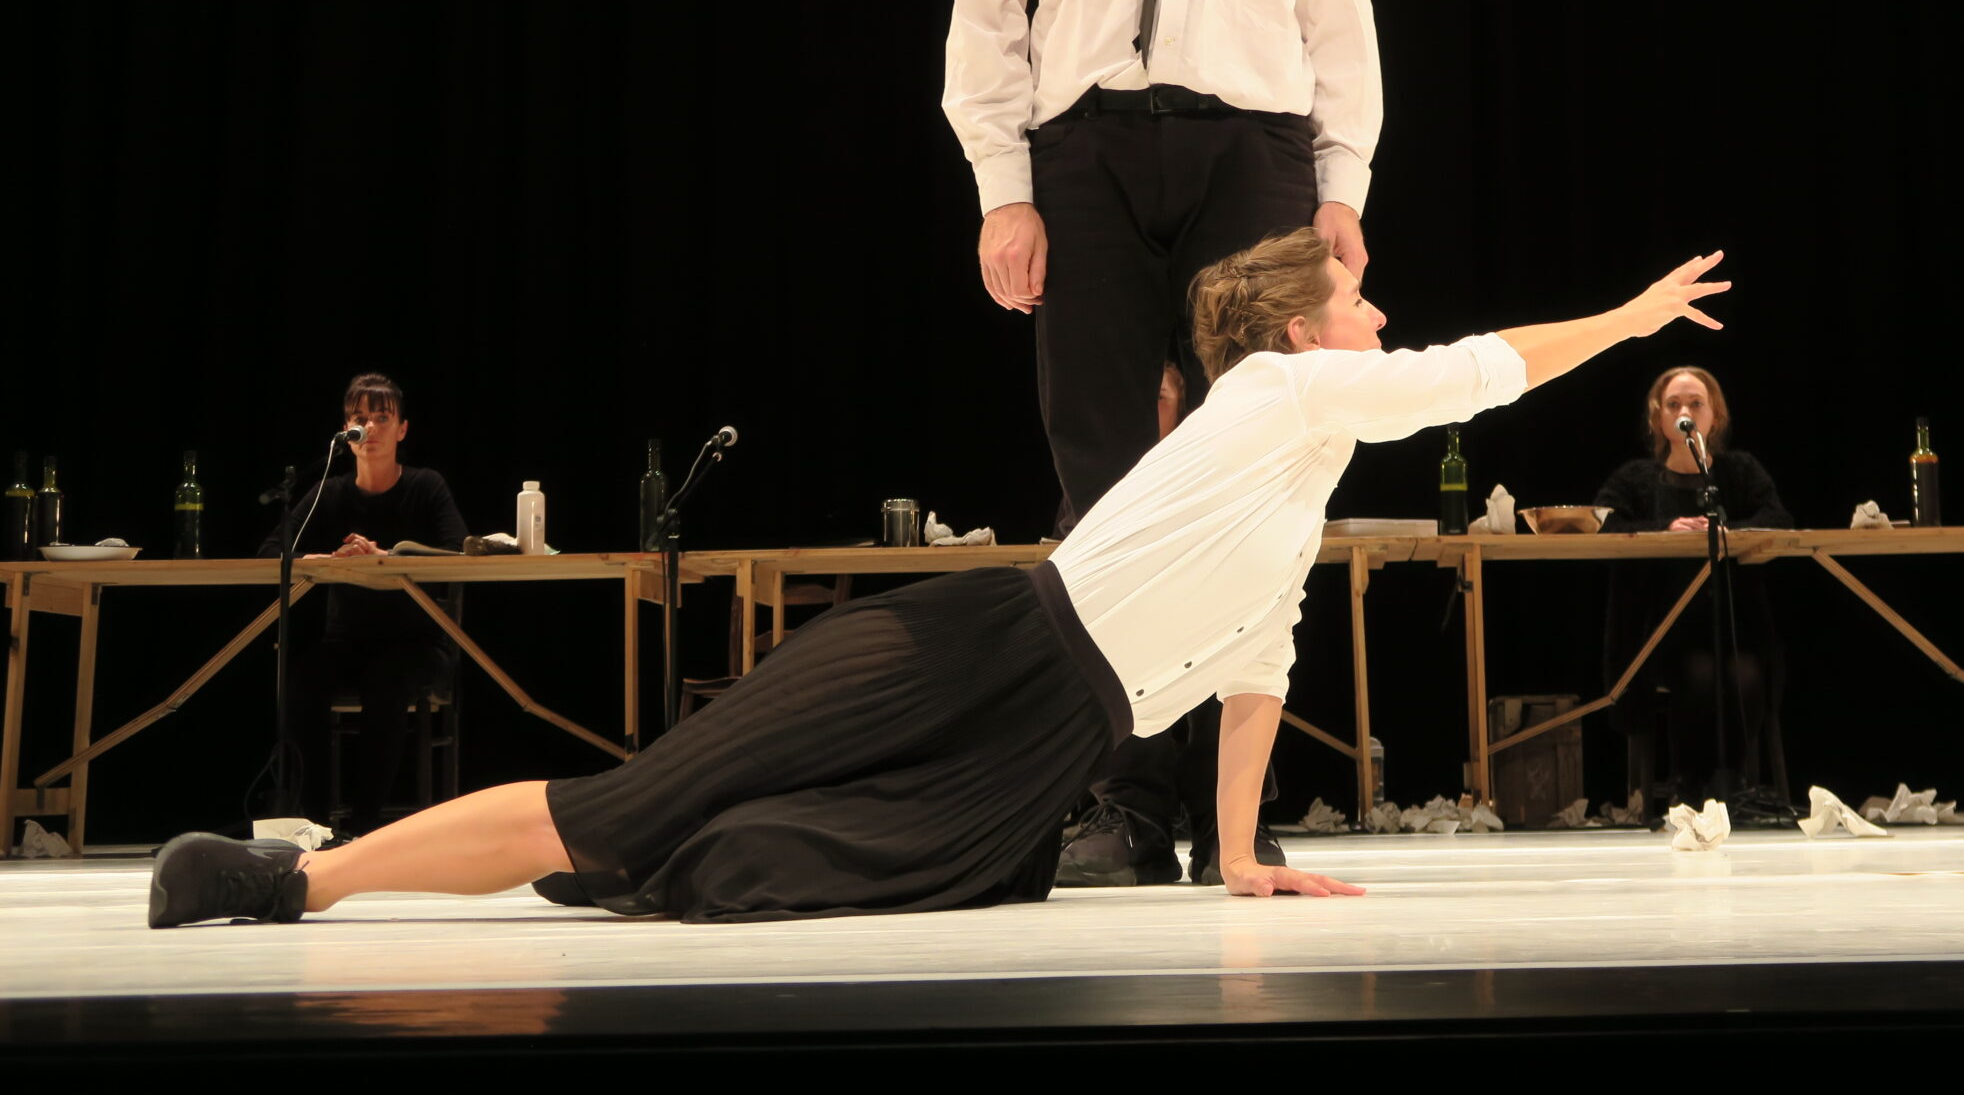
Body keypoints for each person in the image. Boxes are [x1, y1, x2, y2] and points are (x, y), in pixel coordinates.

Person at [144, 236, 1730, 927]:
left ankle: (651, 854)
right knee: (633, 809)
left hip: (1044, 751)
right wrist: (1627, 313)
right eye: (1365, 303)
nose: (1385, 318)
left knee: (732, 872)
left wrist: (1243, 858)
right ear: (1308, 332)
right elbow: (1475, 372)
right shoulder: (1278, 395)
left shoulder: (1290, 484)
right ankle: (294, 880)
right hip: (985, 644)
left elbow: (1263, 668)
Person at [942, 0, 1383, 885]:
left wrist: (1340, 179)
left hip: (1253, 146)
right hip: (1085, 149)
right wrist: (1002, 186)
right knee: (1105, 477)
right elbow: (986, 3)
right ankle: (1127, 801)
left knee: (1258, 461)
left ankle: (1239, 803)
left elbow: (1338, 2)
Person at [256, 374, 468, 832]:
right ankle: (313, 822)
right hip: (348, 643)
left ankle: (366, 825)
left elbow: (457, 555)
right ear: (345, 432)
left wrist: (385, 558)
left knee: (387, 682)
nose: (369, 429)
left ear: (402, 429)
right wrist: (323, 559)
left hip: (418, 643)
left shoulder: (426, 486)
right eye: (359, 419)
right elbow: (271, 553)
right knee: (300, 682)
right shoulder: (327, 494)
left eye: (381, 418)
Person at [1592, 367, 1793, 805]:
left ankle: (1732, 781)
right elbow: (1604, 526)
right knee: (1698, 672)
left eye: (1695, 404)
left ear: (1714, 417)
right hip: (1661, 633)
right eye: (1674, 405)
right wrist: (1667, 528)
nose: (1685, 411)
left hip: (1735, 626)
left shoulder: (1739, 471)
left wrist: (1724, 532)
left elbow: (1776, 519)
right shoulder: (1635, 479)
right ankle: (1690, 782)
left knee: (1744, 673)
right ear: (1658, 419)